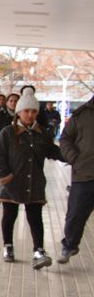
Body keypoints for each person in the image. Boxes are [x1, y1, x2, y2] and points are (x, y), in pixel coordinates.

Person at [0, 90, 64, 269]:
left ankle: (38, 251)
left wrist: (73, 156)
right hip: (11, 183)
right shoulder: (7, 133)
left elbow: (53, 151)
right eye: (26, 111)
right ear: (18, 112)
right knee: (10, 214)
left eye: (33, 111)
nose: (30, 115)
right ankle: (8, 246)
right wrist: (4, 176)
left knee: (35, 217)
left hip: (34, 182)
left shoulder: (42, 134)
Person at [59, 98, 94, 263]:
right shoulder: (82, 113)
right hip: (84, 173)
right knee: (75, 214)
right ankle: (70, 245)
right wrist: (73, 157)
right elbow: (65, 137)